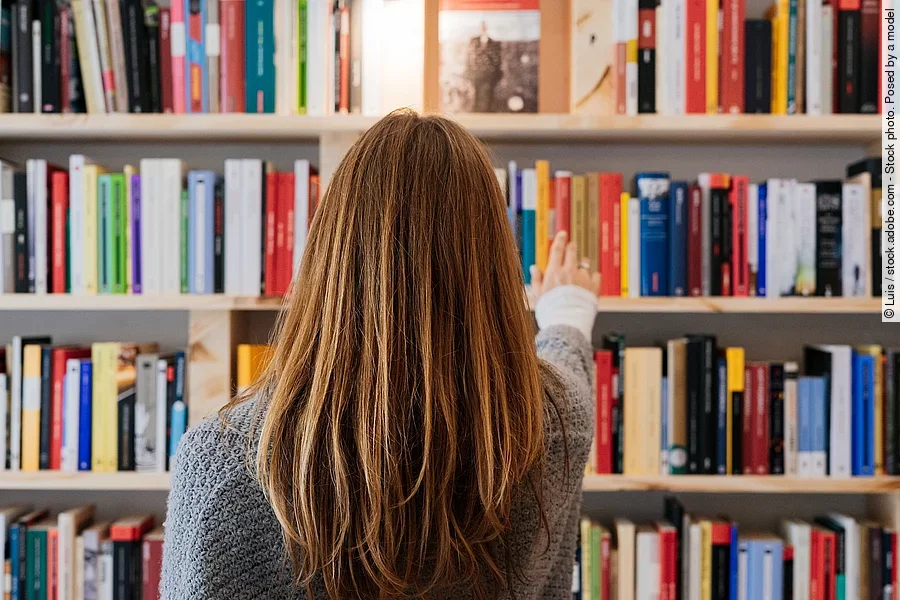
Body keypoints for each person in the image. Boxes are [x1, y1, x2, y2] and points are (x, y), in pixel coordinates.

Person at [161, 111, 599, 599]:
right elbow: (566, 374)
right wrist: (567, 309)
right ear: (494, 266)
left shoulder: (225, 463)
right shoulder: (552, 430)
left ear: (329, 258)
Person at [466, 21, 502, 112]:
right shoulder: (474, 41)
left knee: (490, 94)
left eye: (484, 27)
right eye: (482, 27)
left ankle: (489, 110)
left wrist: (494, 71)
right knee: (476, 93)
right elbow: (469, 57)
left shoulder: (493, 42)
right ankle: (475, 110)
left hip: (489, 74)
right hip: (477, 73)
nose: (483, 29)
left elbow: (497, 59)